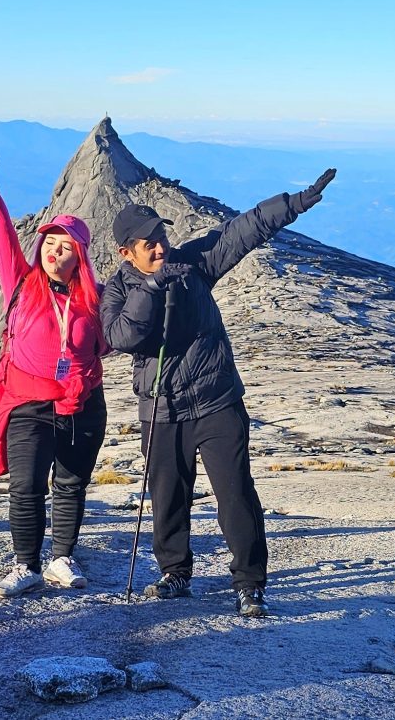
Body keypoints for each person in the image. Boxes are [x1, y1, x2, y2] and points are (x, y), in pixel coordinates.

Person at [100, 169, 336, 617]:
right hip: (161, 409)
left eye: (160, 236)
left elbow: (240, 231)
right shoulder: (116, 291)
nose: (159, 246)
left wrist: (295, 203)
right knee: (168, 496)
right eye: (148, 242)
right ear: (125, 252)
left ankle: (249, 583)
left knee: (235, 494)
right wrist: (152, 289)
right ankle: (175, 574)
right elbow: (122, 337)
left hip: (216, 403)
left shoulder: (192, 266)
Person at [0, 130, 108, 599]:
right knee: (26, 486)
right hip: (28, 402)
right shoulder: (20, 282)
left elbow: (116, 340)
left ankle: (62, 557)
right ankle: (26, 565)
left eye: (64, 247)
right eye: (49, 243)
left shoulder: (95, 300)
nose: (53, 251)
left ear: (78, 256)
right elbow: (0, 226)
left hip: (82, 404)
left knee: (70, 483)